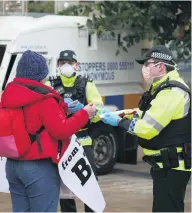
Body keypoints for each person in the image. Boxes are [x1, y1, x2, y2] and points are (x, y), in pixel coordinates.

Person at [1, 50, 96, 212]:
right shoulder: (44, 99)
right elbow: (61, 130)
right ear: (42, 74)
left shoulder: (7, 95)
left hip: (12, 166)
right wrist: (84, 114)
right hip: (37, 167)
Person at [100, 45, 191, 212]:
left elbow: (147, 128)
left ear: (160, 66)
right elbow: (143, 114)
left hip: (172, 167)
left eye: (147, 64)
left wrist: (119, 122)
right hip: (164, 166)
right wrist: (121, 115)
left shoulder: (172, 92)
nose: (144, 69)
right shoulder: (160, 88)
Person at [48, 50, 103, 212]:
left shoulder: (87, 84)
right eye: (62, 62)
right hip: (61, 143)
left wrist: (86, 112)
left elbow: (100, 112)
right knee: (66, 185)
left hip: (83, 140)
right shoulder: (50, 85)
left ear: (76, 65)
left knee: (90, 182)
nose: (66, 66)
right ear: (57, 66)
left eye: (70, 63)